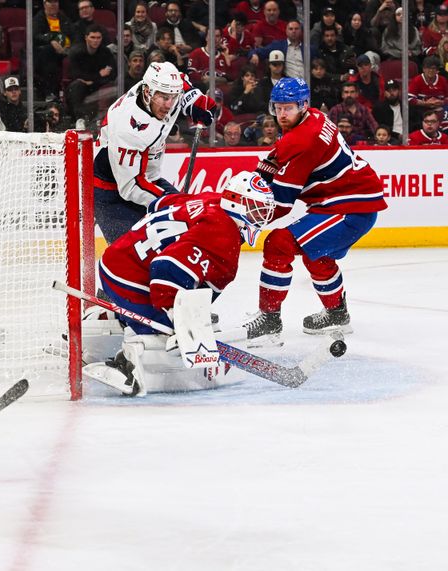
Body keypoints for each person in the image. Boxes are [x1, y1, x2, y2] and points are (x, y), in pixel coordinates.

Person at [87, 171, 276, 396]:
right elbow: (165, 268)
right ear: (236, 203)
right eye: (256, 209)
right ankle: (125, 365)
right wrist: (178, 320)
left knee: (171, 314)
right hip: (128, 278)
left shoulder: (212, 199)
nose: (261, 217)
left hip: (119, 259)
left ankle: (100, 324)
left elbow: (160, 204)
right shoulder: (223, 234)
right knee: (164, 333)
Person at [241, 78, 387, 345]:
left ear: (303, 105)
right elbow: (278, 158)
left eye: (288, 108)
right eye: (278, 108)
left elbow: (283, 203)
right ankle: (336, 313)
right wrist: (261, 174)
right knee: (315, 254)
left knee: (278, 244)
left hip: (350, 207)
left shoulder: (302, 140)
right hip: (347, 202)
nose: (282, 115)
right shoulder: (315, 117)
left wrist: (246, 220)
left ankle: (269, 320)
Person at [93, 61, 216, 244]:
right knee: (131, 256)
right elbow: (130, 187)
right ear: (148, 92)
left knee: (189, 230)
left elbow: (181, 81)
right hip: (111, 191)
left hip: (148, 179)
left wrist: (195, 101)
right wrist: (169, 203)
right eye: (164, 98)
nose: (169, 105)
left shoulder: (161, 89)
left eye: (173, 98)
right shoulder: (129, 128)